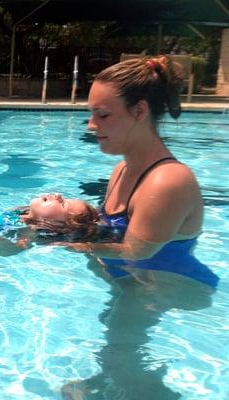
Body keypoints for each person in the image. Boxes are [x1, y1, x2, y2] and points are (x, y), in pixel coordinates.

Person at [60, 55, 218, 288]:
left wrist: (52, 240)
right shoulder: (121, 170)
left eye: (102, 115)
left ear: (139, 111)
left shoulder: (168, 181)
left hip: (169, 295)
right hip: (134, 286)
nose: (91, 125)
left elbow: (135, 252)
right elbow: (106, 233)